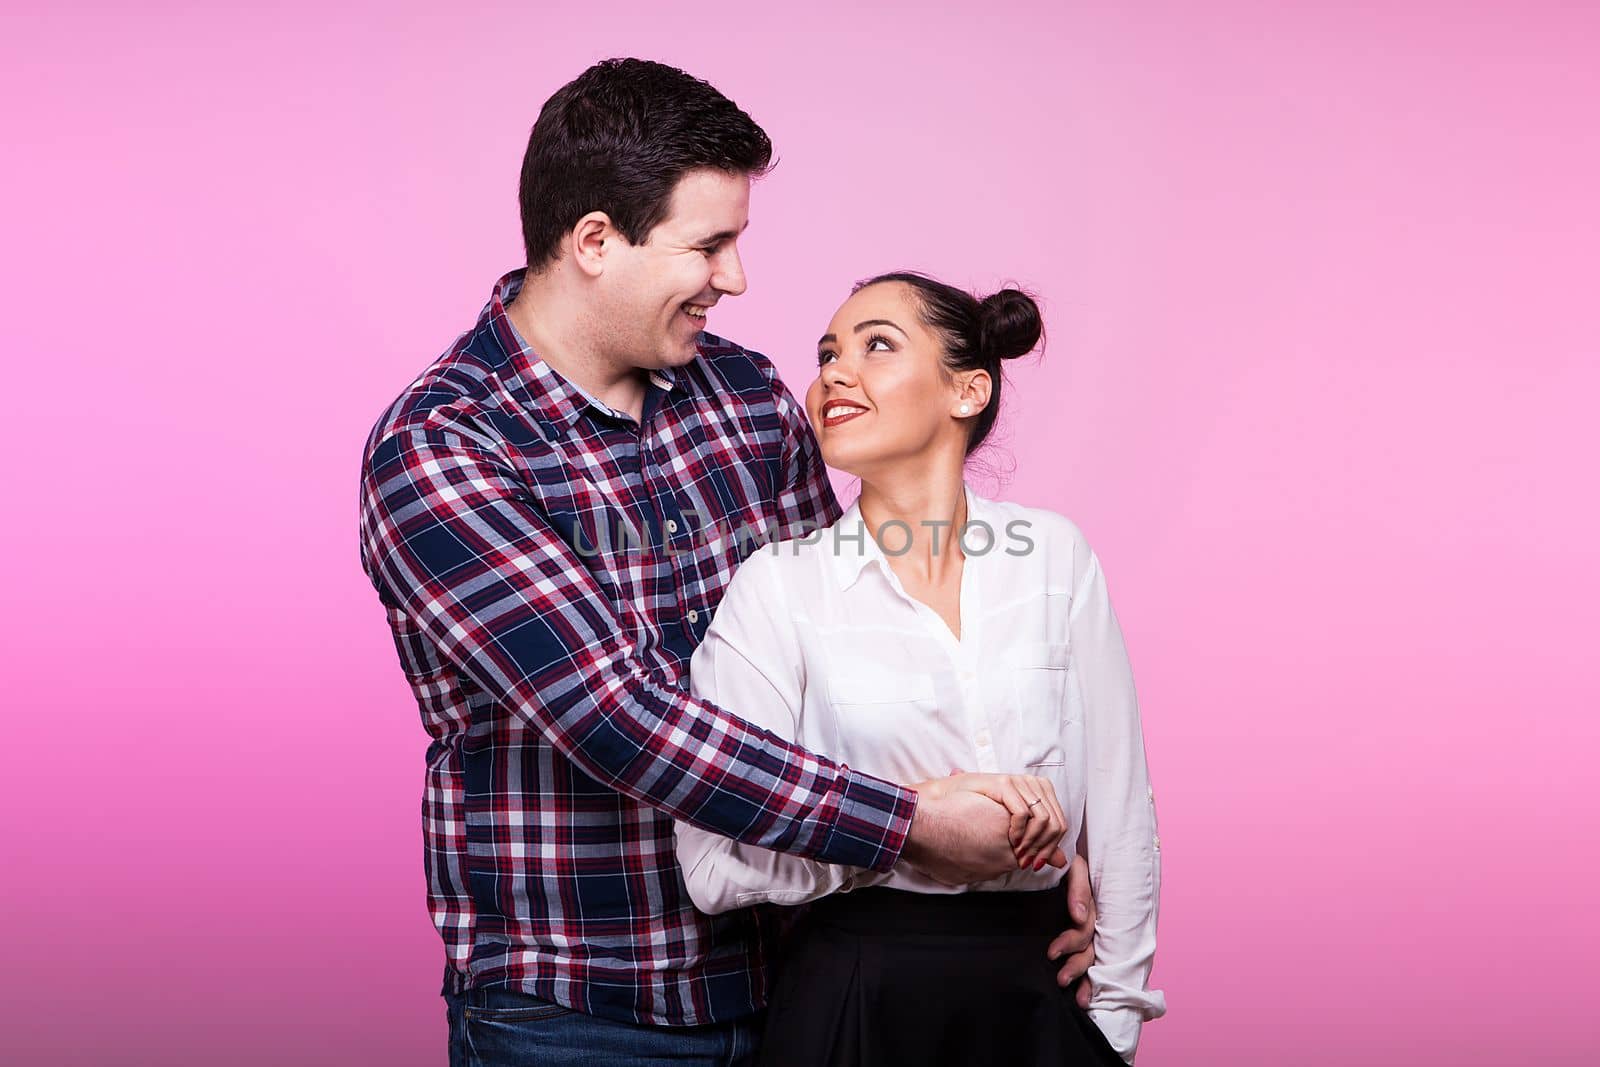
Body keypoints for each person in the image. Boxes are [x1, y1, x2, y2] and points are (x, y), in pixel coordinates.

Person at [358, 59, 1100, 1067]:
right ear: (593, 242)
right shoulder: (444, 445)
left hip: (806, 987)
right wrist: (917, 825)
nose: (735, 278)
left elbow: (856, 652)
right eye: (709, 244)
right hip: (581, 1012)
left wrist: (1047, 844)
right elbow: (621, 720)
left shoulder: (747, 397)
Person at [673, 272, 1167, 1065]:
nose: (835, 370)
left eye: (876, 345)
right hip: (853, 1001)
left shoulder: (1053, 557)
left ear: (967, 390)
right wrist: (908, 828)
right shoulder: (779, 586)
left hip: (1037, 1000)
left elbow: (1120, 810)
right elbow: (712, 860)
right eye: (828, 352)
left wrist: (1112, 1023)